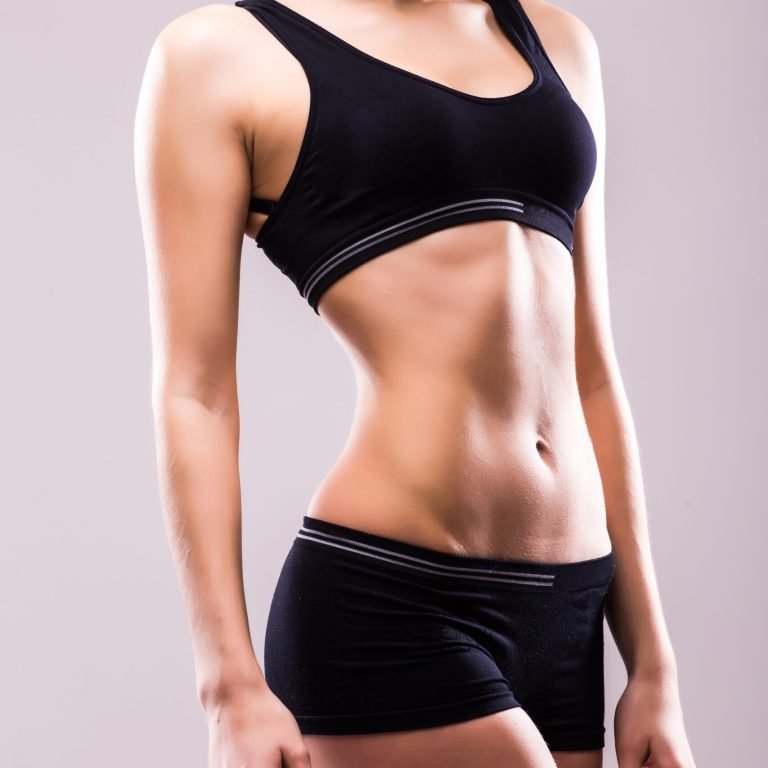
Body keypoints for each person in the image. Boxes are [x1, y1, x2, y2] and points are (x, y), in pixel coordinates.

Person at [134, 0, 697, 766]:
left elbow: (591, 369)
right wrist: (227, 686)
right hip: (393, 600)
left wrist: (653, 664)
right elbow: (195, 393)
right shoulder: (221, 57)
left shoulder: (557, 41)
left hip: (572, 609)